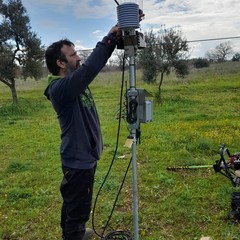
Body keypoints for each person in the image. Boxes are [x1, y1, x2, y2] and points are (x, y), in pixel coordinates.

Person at [44, 26, 121, 240]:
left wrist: (114, 40)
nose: (78, 58)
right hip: (78, 162)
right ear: (61, 63)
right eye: (73, 54)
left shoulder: (71, 82)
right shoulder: (61, 88)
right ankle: (74, 234)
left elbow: (87, 69)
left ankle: (73, 231)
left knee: (73, 202)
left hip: (83, 157)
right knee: (79, 208)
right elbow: (90, 68)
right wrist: (109, 39)